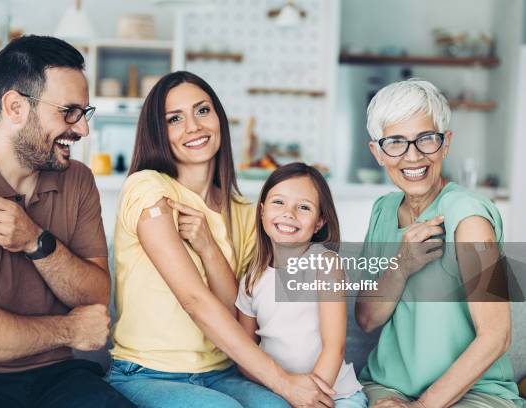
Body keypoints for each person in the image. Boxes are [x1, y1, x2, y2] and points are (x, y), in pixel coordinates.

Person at [0, 35, 133, 407]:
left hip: (56, 376)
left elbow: (96, 298)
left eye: (84, 113)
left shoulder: (76, 180)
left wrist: (36, 241)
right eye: (68, 112)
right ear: (15, 107)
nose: (82, 130)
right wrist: (69, 330)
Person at [106, 71, 334, 408]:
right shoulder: (148, 189)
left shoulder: (244, 211)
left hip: (221, 373)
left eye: (202, 111)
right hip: (145, 372)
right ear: (159, 132)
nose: (193, 127)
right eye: (174, 119)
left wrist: (209, 248)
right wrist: (283, 381)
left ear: (219, 119)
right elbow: (194, 300)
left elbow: (238, 315)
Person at [355, 79, 524, 407]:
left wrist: (423, 406)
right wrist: (401, 266)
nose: (413, 156)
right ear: (377, 152)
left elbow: (496, 336)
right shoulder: (382, 211)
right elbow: (367, 319)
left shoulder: (471, 219)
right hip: (388, 387)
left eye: (426, 139)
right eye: (396, 142)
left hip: (477, 392)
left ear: (445, 144)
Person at [236, 162, 368, 408]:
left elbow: (334, 348)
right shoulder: (252, 278)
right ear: (262, 210)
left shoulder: (325, 264)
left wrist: (311, 399)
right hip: (278, 393)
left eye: (304, 207)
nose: (289, 213)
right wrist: (284, 389)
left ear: (319, 222)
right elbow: (246, 355)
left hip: (335, 394)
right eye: (279, 202)